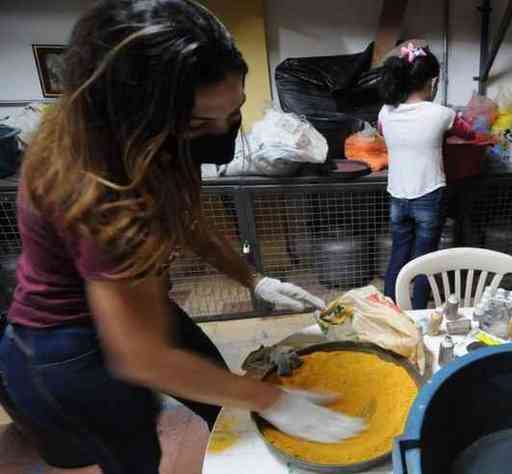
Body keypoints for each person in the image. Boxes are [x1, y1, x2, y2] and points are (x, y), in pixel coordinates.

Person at [0, 1, 364, 473]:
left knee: (221, 396)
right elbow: (141, 357)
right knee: (135, 453)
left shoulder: (157, 145)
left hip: (137, 308)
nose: (221, 132)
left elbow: (187, 219)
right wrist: (272, 399)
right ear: (136, 116)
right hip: (69, 345)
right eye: (198, 124)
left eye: (232, 111)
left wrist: (252, 279)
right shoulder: (97, 185)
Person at [379, 44, 475, 309]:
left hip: (397, 197)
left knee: (398, 254)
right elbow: (470, 134)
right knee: (424, 260)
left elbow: (382, 130)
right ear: (432, 82)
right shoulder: (442, 114)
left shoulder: (385, 112)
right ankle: (419, 311)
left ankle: (390, 307)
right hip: (428, 196)